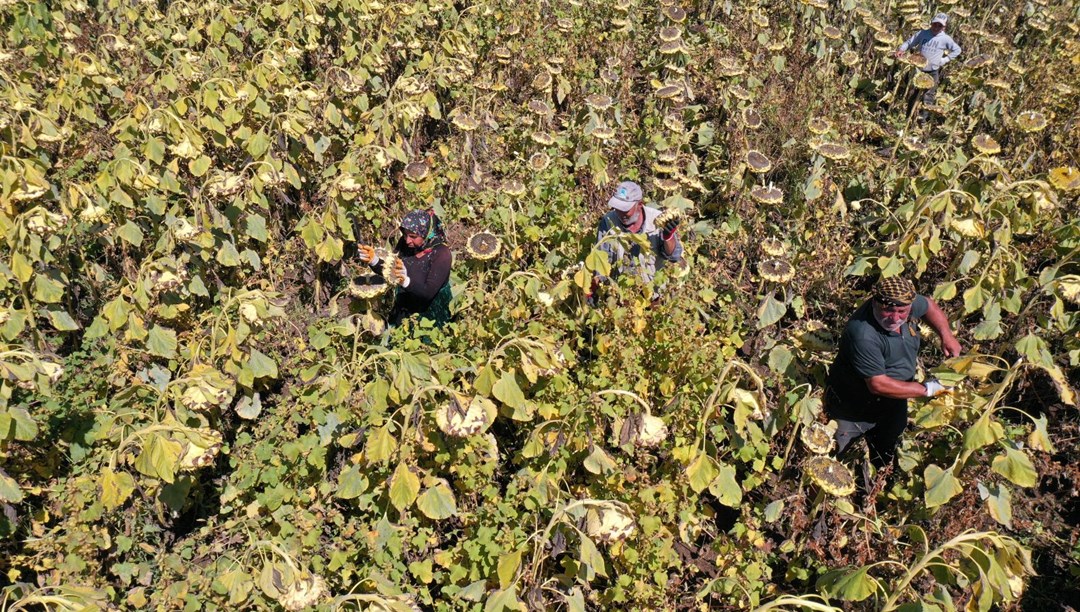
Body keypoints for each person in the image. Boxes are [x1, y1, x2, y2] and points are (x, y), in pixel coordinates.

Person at [825, 277, 962, 470]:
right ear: (875, 302)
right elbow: (878, 384)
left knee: (885, 457)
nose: (895, 318)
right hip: (852, 408)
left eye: (902, 312)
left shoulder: (902, 303)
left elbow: (929, 306)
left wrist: (946, 335)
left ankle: (877, 488)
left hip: (893, 402)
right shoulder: (863, 335)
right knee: (834, 462)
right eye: (887, 310)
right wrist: (929, 389)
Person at [358, 209, 453, 327]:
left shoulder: (441, 254)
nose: (408, 240)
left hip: (431, 317)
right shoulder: (405, 245)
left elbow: (427, 293)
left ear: (426, 233)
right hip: (404, 310)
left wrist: (405, 281)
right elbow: (392, 271)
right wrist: (374, 261)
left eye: (413, 236)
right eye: (405, 235)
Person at [591, 180, 683, 300]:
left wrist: (668, 236)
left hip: (653, 294)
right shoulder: (608, 221)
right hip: (621, 294)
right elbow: (601, 260)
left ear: (639, 204)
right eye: (618, 208)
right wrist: (594, 290)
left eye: (626, 209)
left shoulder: (658, 220)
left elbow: (674, 256)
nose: (621, 213)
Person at [895, 13, 962, 121]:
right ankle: (908, 119)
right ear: (931, 23)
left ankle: (923, 121)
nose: (936, 27)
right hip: (918, 70)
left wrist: (945, 60)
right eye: (935, 24)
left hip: (933, 71)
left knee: (928, 96)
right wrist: (901, 49)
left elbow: (957, 50)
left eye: (939, 26)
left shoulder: (945, 39)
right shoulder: (923, 33)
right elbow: (910, 42)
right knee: (914, 94)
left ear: (944, 27)